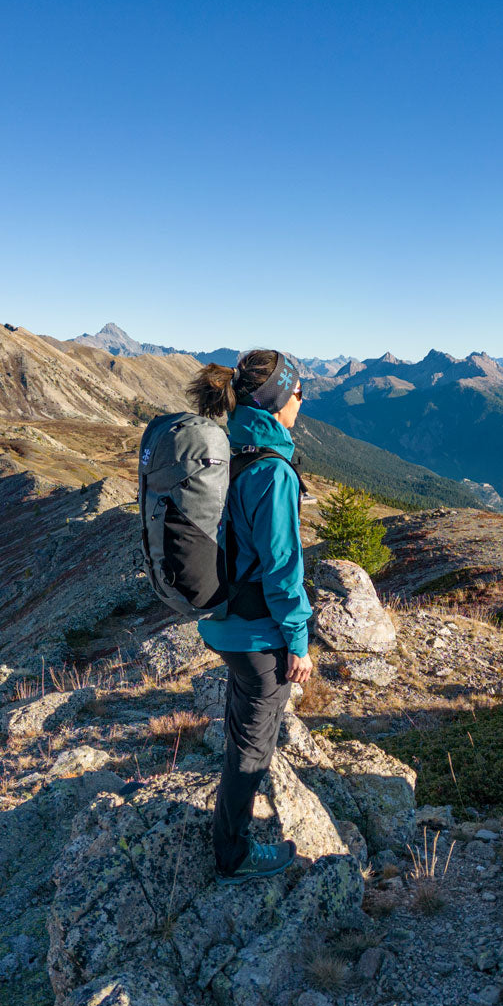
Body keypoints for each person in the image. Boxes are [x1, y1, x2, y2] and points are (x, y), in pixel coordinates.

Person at [187, 348, 314, 883]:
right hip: (256, 630)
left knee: (243, 728)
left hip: (219, 619)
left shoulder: (226, 447)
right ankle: (232, 854)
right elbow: (283, 568)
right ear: (281, 399)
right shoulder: (271, 470)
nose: (303, 401)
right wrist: (300, 642)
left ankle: (227, 822)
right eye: (300, 392)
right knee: (252, 746)